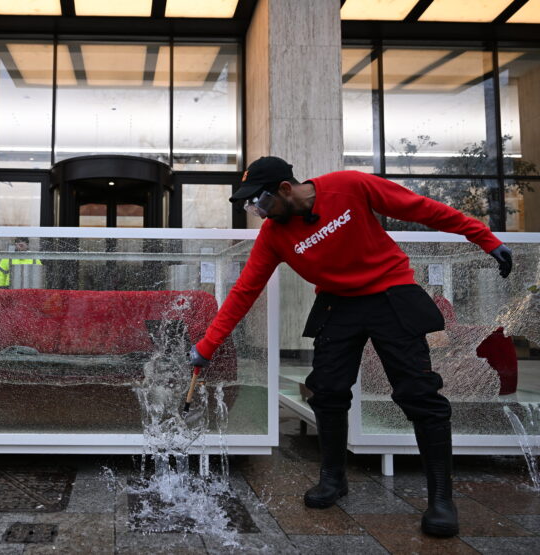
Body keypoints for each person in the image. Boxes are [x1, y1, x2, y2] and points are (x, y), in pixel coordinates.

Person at [188, 156, 513, 538]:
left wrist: (484, 237)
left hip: (390, 292)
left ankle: (441, 499)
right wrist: (207, 346)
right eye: (251, 205)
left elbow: (423, 209)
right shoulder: (274, 235)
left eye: (259, 202)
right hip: (338, 303)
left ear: (285, 189)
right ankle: (333, 477)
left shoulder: (349, 186)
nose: (257, 212)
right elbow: (244, 290)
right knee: (326, 391)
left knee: (418, 393)